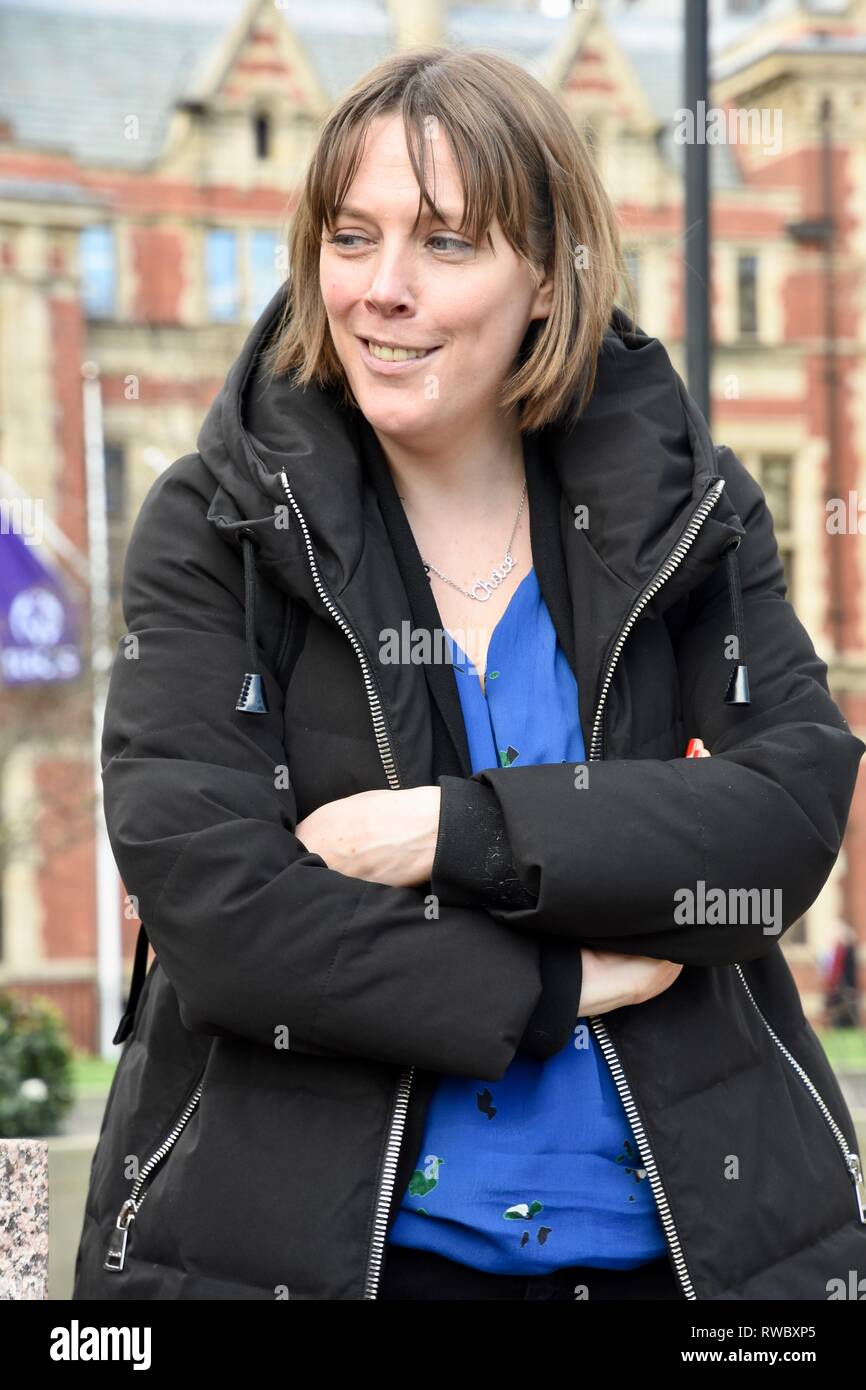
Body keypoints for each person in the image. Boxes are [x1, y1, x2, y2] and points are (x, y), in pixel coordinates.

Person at [72, 45, 866, 1302]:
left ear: (546, 275)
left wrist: (446, 831)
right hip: (333, 1263)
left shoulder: (687, 510)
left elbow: (781, 818)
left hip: (699, 1259)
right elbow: (216, 909)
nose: (380, 289)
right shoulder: (216, 524)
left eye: (444, 243)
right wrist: (554, 980)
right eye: (350, 237)